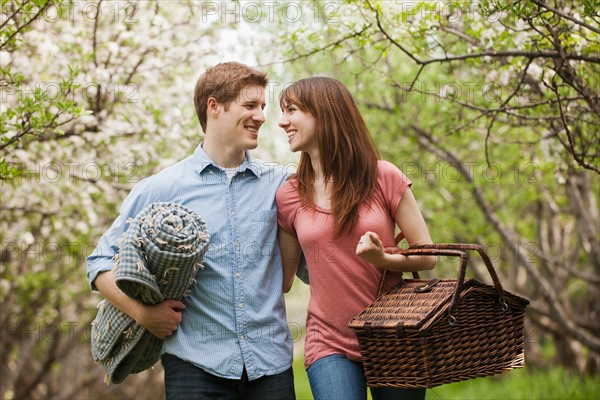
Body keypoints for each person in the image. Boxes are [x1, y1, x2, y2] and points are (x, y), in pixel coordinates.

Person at [86, 62, 295, 400]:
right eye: (250, 105)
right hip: (195, 367)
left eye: (262, 107)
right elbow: (98, 262)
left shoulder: (280, 184)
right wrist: (144, 314)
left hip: (270, 365)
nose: (260, 116)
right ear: (214, 107)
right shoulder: (163, 186)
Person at [276, 76, 436, 400]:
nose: (282, 121)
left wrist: (384, 259)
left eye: (291, 110)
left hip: (395, 334)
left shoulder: (384, 177)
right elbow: (282, 280)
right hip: (328, 341)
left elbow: (428, 256)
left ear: (324, 113)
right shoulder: (289, 195)